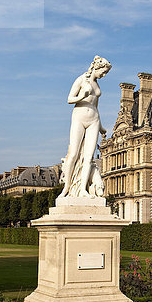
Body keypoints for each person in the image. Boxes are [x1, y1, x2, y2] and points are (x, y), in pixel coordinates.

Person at [58, 56, 111, 198]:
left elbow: (96, 106)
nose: (104, 75)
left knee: (89, 157)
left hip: (94, 119)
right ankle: (67, 188)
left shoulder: (97, 84)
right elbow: (69, 99)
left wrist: (101, 127)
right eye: (103, 72)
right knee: (73, 154)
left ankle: (83, 189)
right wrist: (82, 95)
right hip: (79, 117)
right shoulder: (81, 79)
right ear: (97, 68)